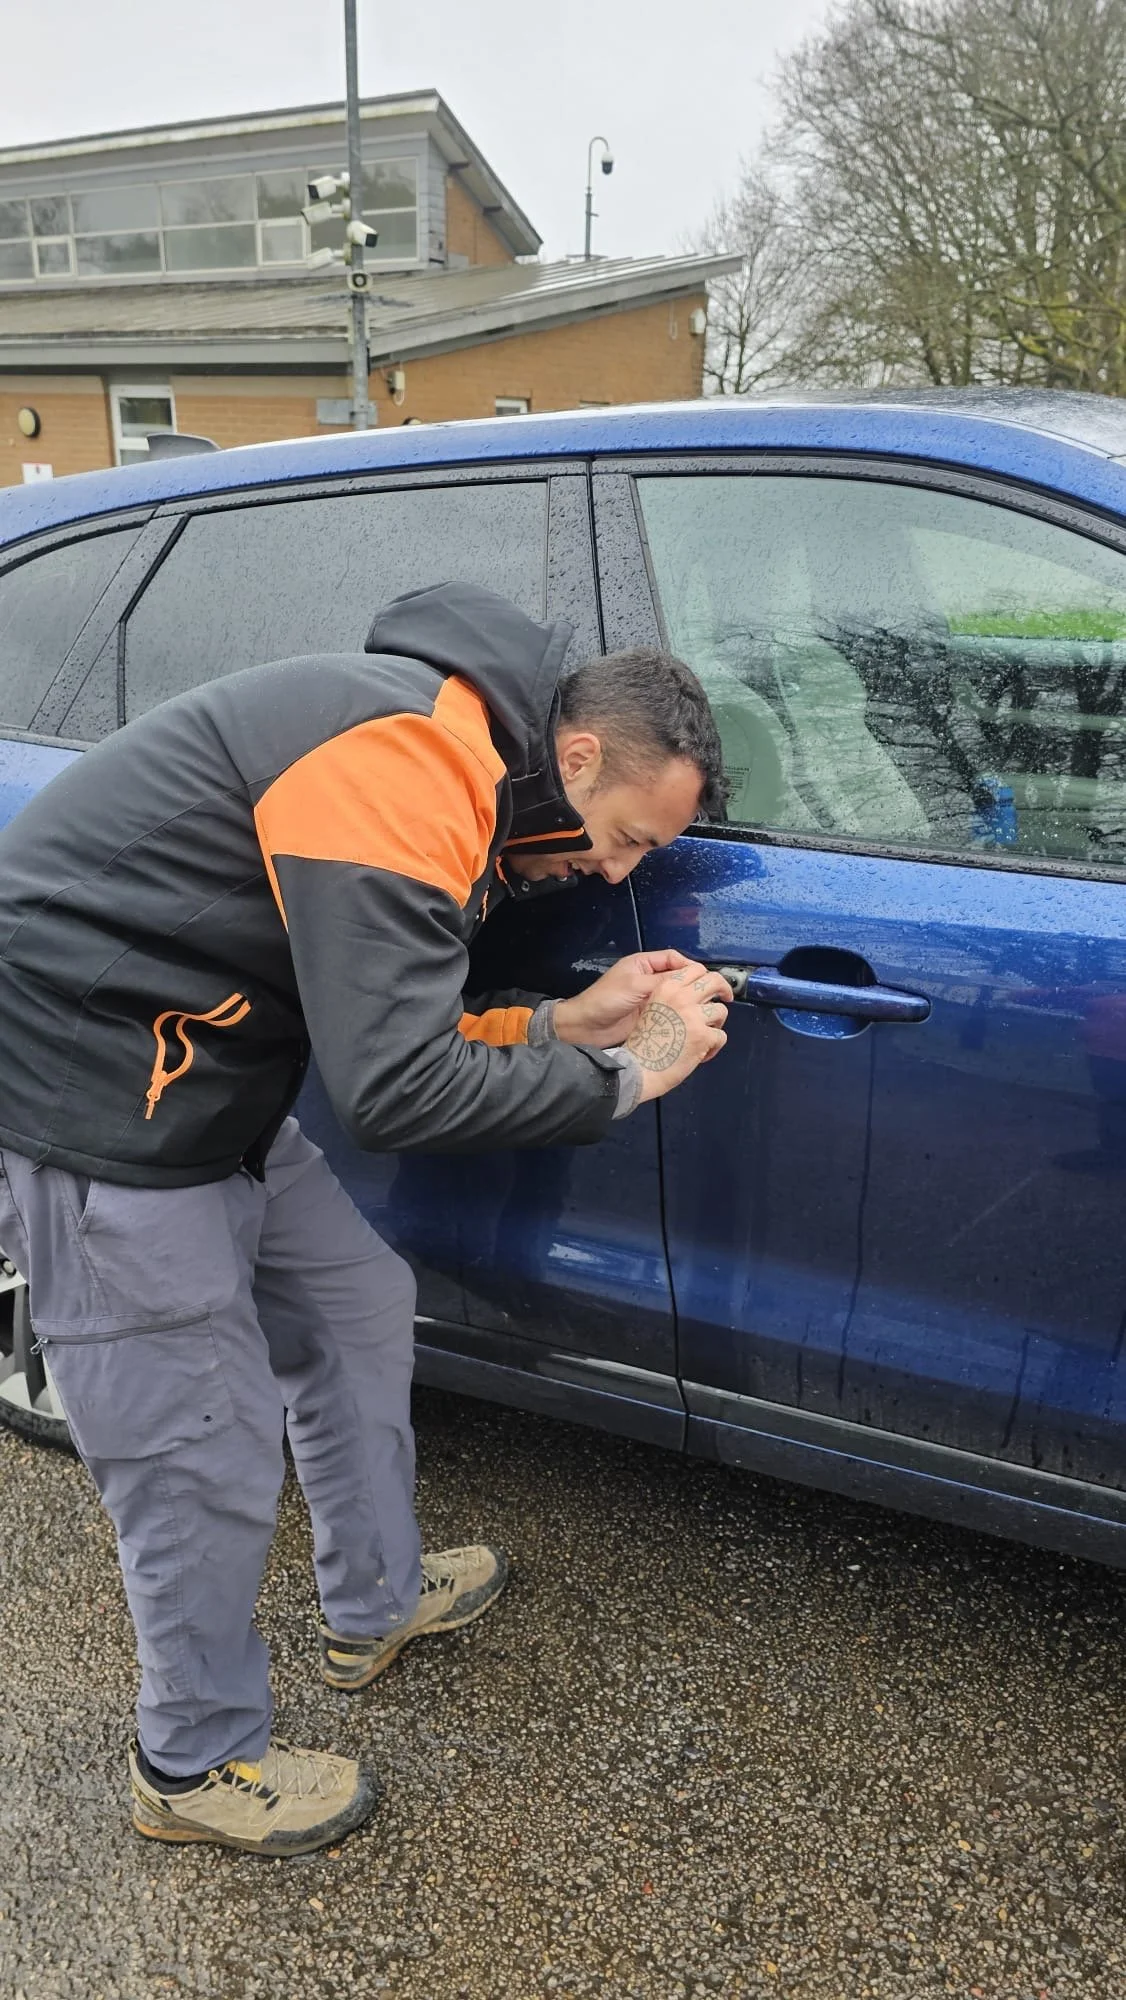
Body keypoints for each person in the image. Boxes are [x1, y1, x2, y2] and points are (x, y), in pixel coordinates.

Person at [0, 581, 731, 1857]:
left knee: (356, 1298)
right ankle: (192, 1761)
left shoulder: (466, 764)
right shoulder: (408, 762)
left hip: (210, 1077)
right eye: (621, 836)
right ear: (572, 757)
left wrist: (574, 1019)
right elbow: (394, 1087)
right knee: (200, 1452)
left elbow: (403, 1016)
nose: (612, 871)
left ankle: (374, 1600)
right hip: (105, 1099)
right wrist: (632, 1070)